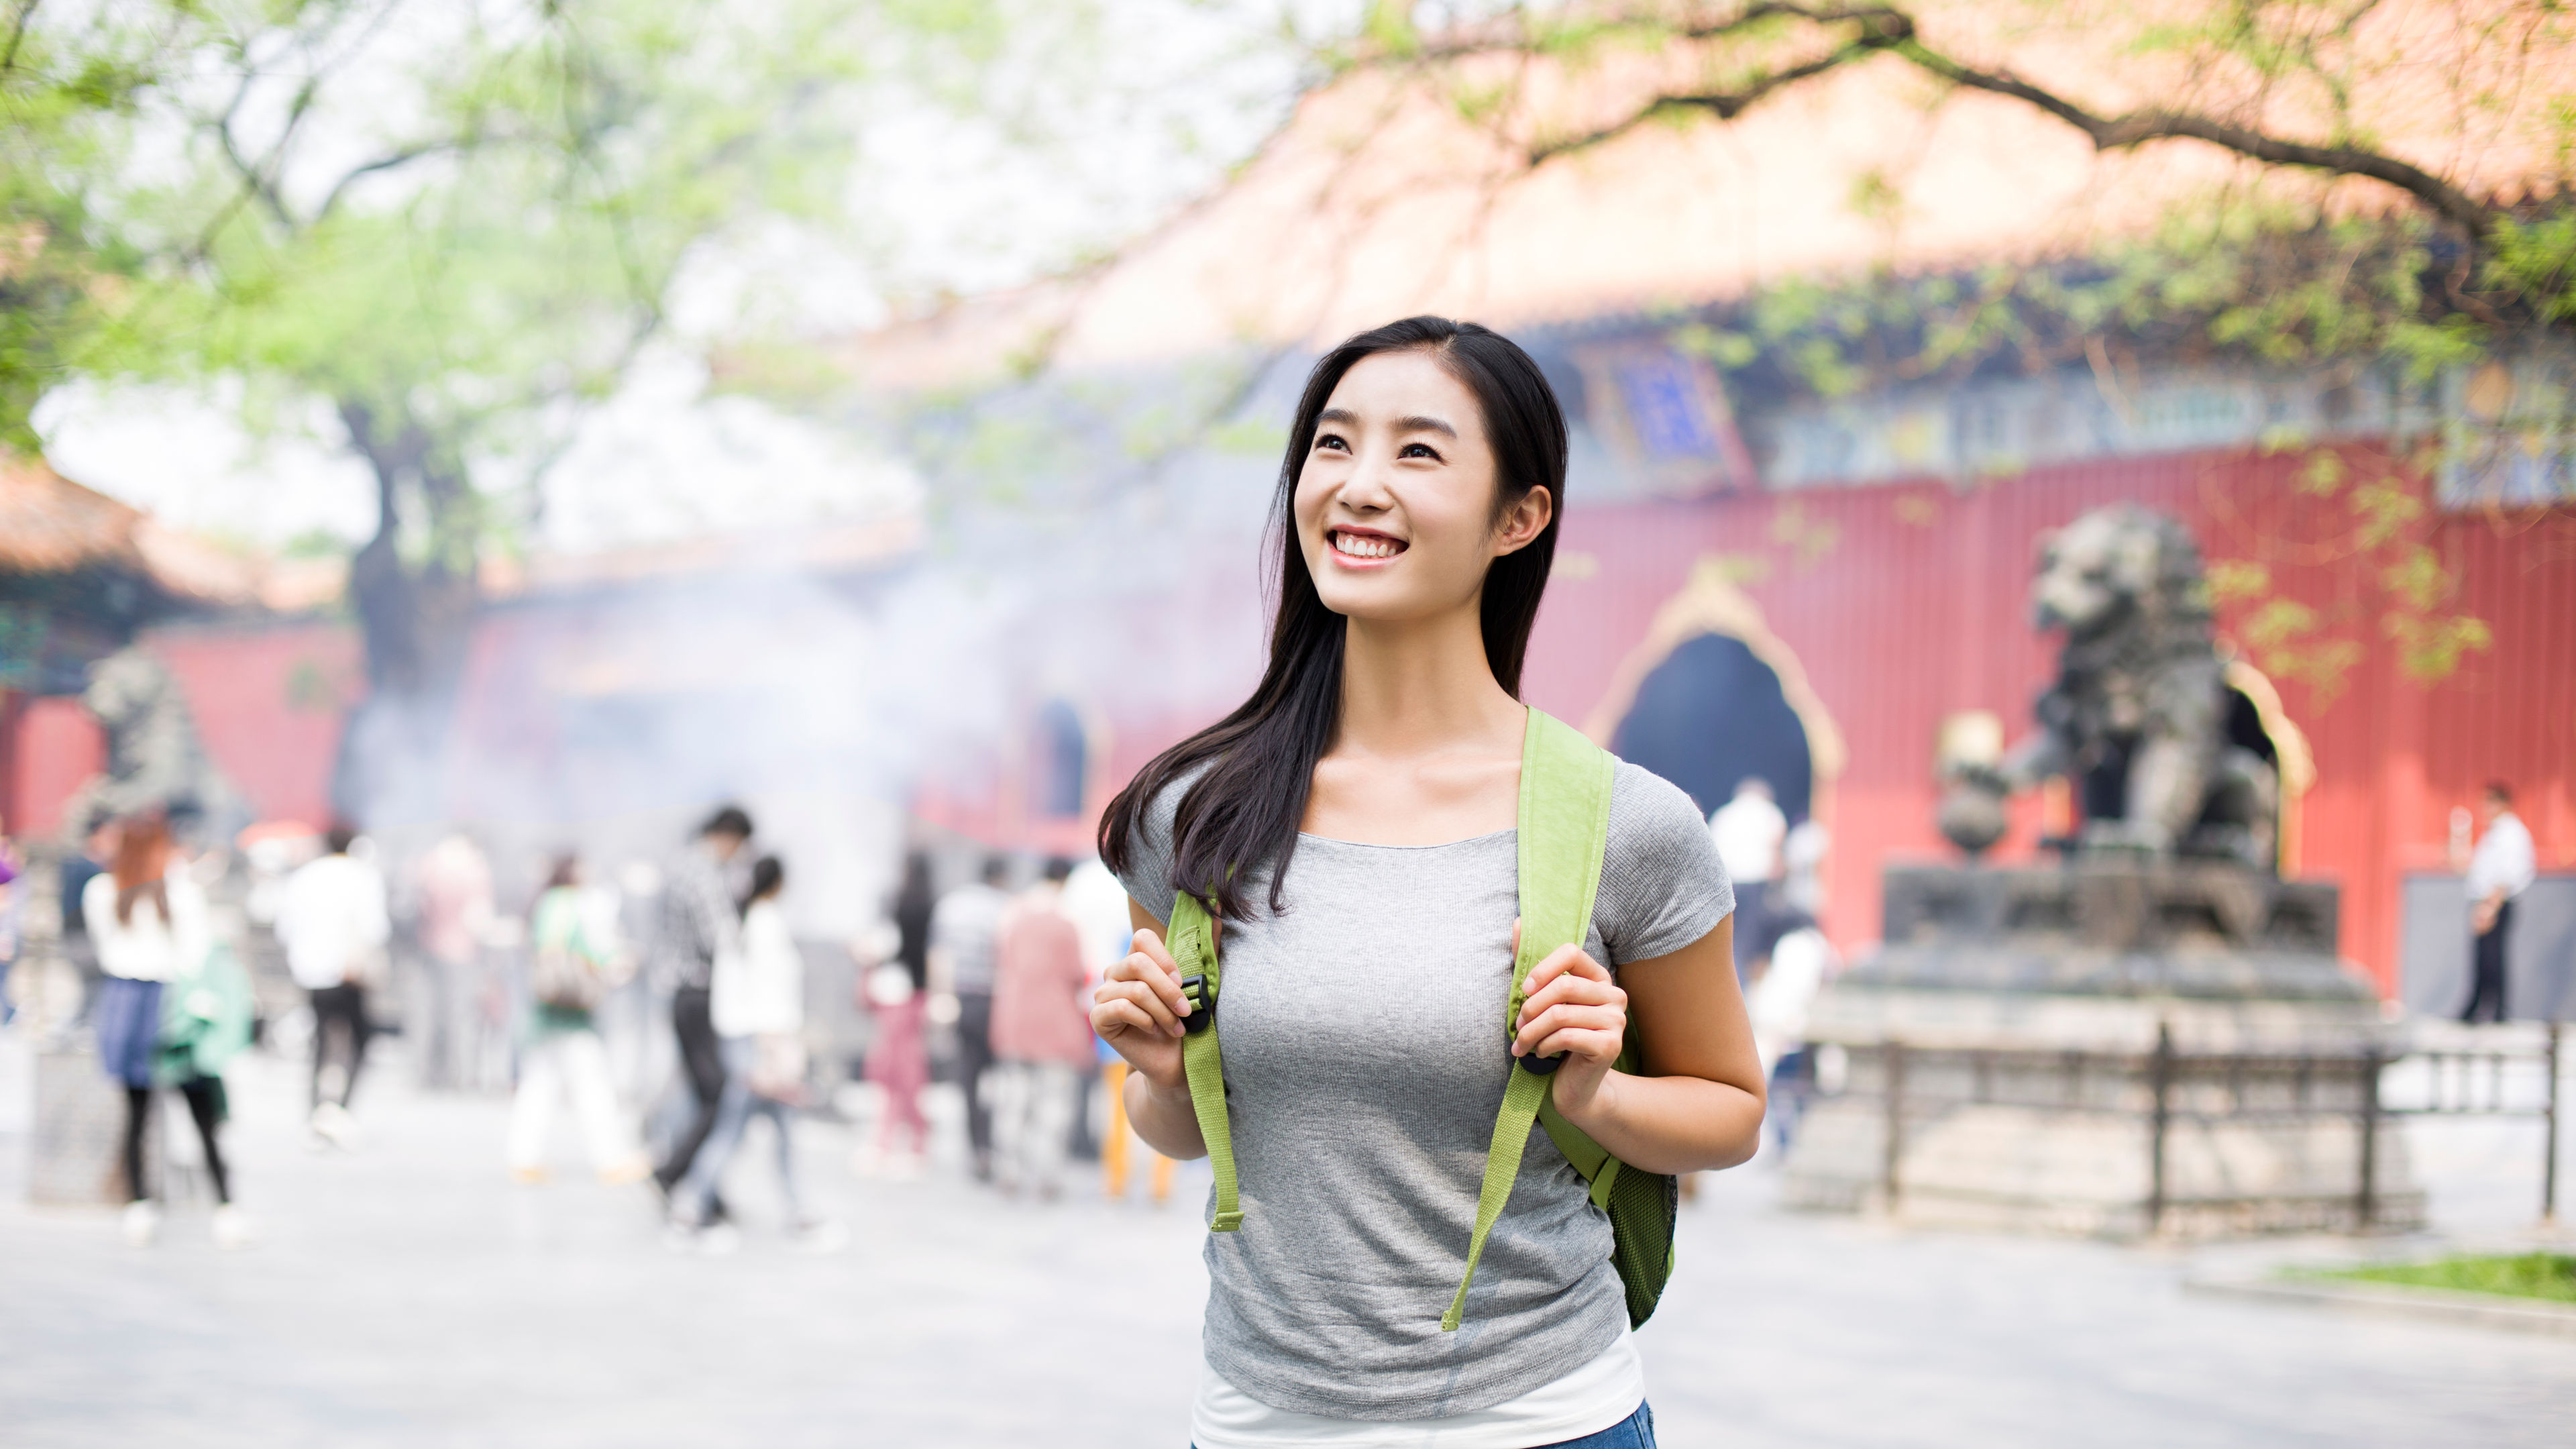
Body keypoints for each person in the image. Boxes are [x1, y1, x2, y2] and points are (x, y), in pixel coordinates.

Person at [1093, 317, 1762, 1448]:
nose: (1358, 486)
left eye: (1418, 452)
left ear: (1520, 517)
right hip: (1257, 1421)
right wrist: (1158, 1077)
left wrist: (1596, 1096)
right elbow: (1184, 1132)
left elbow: (1732, 1112)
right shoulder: (1196, 818)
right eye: (1333, 445)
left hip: (1541, 1421)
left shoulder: (1629, 828)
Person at [86, 814, 253, 1249]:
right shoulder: (180, 892)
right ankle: (225, 1207)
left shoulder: (103, 892)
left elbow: (106, 951)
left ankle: (139, 1207)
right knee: (201, 1114)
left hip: (125, 1004)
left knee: (136, 1116)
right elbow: (197, 955)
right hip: (173, 1005)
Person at [673, 855, 839, 1251]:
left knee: (768, 1130)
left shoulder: (743, 923)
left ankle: (797, 1211)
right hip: (764, 1044)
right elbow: (770, 992)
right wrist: (775, 1046)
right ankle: (692, 1207)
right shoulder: (765, 924)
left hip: (748, 1040)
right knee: (737, 1129)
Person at [507, 855, 650, 1185]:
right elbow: (591, 945)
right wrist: (615, 961)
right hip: (571, 1012)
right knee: (592, 1085)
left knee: (540, 1084)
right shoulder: (576, 903)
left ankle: (523, 1157)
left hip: (549, 1010)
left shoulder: (547, 902)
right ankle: (611, 1157)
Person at [652, 804, 753, 1205]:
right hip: (699, 993)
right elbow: (723, 939)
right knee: (716, 1094)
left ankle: (700, 1184)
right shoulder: (704, 873)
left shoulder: (680, 867)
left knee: (697, 1092)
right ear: (728, 836)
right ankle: (674, 1173)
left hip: (681, 993)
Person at [277, 824, 390, 1146]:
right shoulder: (363, 876)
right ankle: (340, 1109)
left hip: (311, 971)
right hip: (348, 971)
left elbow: (286, 926)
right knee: (359, 1040)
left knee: (321, 1041)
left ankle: (315, 1109)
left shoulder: (305, 876)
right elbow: (374, 928)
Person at [989, 857, 1094, 1201]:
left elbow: (1003, 963)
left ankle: (1009, 1171)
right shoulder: (1067, 921)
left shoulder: (1013, 915)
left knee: (1013, 1100)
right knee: (1053, 1104)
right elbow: (1078, 972)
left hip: (1015, 1017)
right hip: (1056, 1023)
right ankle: (1048, 1176)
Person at [928, 854, 1011, 1180]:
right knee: (996, 1080)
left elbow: (938, 956)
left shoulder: (953, 905)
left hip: (961, 999)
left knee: (969, 1077)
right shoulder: (1006, 908)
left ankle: (974, 1149)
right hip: (995, 1002)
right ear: (1000, 877)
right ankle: (992, 1146)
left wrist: (941, 998)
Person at [412, 831, 494, 1089]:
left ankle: (426, 1075)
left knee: (427, 1014)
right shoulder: (474, 871)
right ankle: (460, 1075)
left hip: (428, 947)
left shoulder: (430, 864)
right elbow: (479, 917)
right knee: (462, 1017)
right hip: (463, 951)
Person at [2459, 781, 2536, 1024]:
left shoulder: (2510, 833)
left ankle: (2495, 1011)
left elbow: (2508, 873)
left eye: (2488, 802)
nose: (2483, 808)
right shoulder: (2494, 833)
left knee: (2492, 958)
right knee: (2483, 958)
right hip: (2486, 901)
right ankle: (2478, 1008)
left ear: (2502, 803)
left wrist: (2490, 906)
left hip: (2495, 903)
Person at [1709, 777, 1787, 983]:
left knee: (1728, 937)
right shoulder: (1770, 813)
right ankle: (1744, 983)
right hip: (1757, 882)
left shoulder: (1724, 814)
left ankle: (1729, 980)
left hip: (1729, 881)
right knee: (1750, 939)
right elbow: (1777, 849)